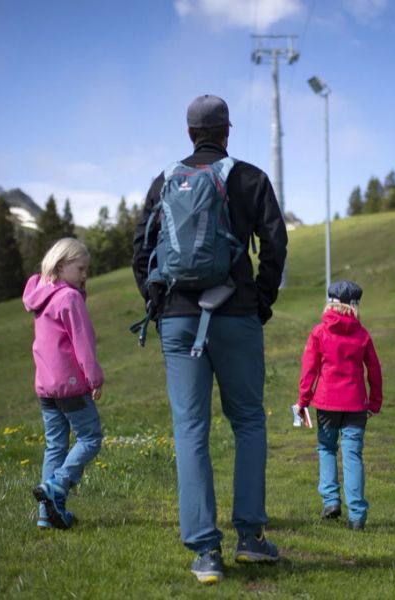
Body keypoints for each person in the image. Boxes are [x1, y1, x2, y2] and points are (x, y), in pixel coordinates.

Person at [132, 94, 288, 584]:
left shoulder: (166, 180)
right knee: (248, 422)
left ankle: (204, 552)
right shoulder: (250, 178)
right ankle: (250, 539)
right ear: (227, 130)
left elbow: (141, 250)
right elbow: (276, 242)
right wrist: (260, 300)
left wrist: (157, 305)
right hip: (236, 313)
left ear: (188, 132)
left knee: (190, 430)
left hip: (179, 320)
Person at [23, 238, 104, 530]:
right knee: (90, 438)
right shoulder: (68, 298)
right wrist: (94, 377)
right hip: (70, 384)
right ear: (61, 265)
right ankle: (57, 485)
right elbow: (82, 342)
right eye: (80, 268)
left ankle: (47, 515)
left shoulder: (40, 295)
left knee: (55, 446)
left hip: (45, 385)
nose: (85, 275)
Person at [296, 280, 383, 531]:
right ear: (356, 306)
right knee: (353, 454)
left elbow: (309, 369)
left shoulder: (319, 332)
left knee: (326, 448)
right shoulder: (362, 334)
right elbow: (374, 370)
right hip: (356, 404)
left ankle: (331, 501)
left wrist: (303, 400)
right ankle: (357, 514)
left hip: (326, 404)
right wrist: (374, 401)